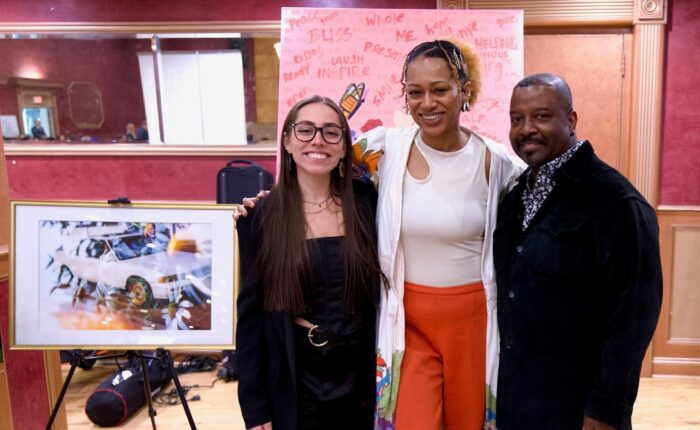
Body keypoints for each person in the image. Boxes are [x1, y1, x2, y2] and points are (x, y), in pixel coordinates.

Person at [236, 40, 525, 429]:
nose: (428, 102)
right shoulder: (383, 150)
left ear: (464, 90)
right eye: (415, 92)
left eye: (440, 89)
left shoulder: (499, 164)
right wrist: (269, 203)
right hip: (406, 321)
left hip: (472, 319)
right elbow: (316, 159)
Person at [493, 73, 662, 429]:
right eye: (516, 119)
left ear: (570, 121)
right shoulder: (514, 197)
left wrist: (606, 409)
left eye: (541, 116)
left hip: (579, 408)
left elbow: (634, 317)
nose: (526, 129)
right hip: (518, 402)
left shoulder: (616, 202)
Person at [235, 95, 384, 430]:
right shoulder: (259, 217)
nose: (318, 140)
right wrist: (255, 407)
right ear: (287, 141)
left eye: (331, 132)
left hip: (361, 376)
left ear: (345, 146)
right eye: (305, 130)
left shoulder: (368, 203)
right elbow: (250, 320)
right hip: (295, 379)